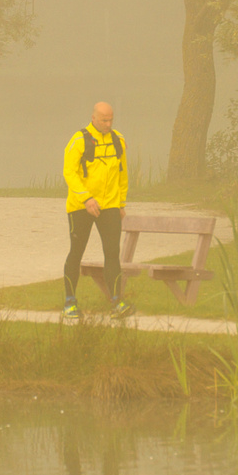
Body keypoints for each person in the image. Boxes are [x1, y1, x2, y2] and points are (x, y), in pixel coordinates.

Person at [62, 101, 133, 319]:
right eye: (104, 120)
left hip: (109, 205)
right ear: (93, 118)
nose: (108, 123)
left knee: (112, 253)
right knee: (76, 252)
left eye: (111, 119)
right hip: (81, 207)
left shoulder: (118, 140)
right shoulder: (78, 141)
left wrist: (121, 203)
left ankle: (116, 302)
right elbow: (69, 173)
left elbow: (122, 174)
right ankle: (70, 303)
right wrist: (86, 198)